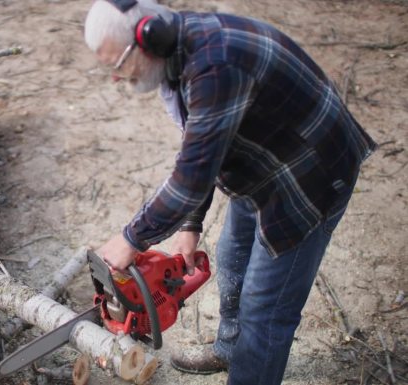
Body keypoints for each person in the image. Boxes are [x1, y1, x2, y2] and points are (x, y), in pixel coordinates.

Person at [83, 0, 377, 384]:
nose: (117, 78)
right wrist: (190, 223)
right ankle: (230, 349)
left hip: (310, 172)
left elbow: (190, 178)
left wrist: (131, 238)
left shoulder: (216, 66)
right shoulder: (174, 58)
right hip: (264, 156)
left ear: (149, 36)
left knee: (265, 307)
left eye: (119, 64)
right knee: (232, 254)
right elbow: (198, 146)